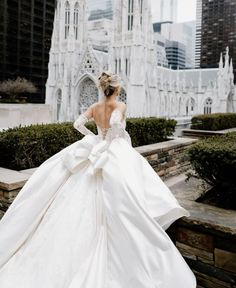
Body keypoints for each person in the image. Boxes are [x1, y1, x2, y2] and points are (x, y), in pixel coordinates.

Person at [0, 71, 197, 287]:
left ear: (102, 88)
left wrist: (93, 137)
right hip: (113, 151)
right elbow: (115, 124)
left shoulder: (95, 107)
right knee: (126, 192)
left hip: (96, 146)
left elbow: (77, 123)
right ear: (117, 89)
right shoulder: (120, 106)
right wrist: (112, 136)